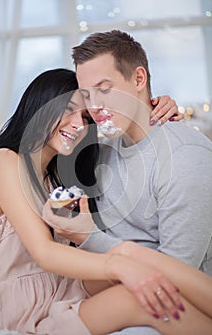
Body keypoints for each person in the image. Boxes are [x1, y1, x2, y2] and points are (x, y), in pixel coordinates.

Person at [0, 68, 212, 335]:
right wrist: (119, 267)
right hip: (27, 310)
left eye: (87, 117)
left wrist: (151, 109)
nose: (79, 124)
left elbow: (125, 131)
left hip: (65, 288)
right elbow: (44, 253)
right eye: (69, 109)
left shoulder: (59, 173)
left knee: (146, 259)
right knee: (140, 296)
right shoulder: (3, 162)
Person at [49, 30, 212, 335]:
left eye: (105, 89)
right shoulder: (103, 146)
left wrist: (88, 237)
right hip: (107, 288)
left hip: (169, 306)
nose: (95, 106)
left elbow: (179, 274)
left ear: (138, 80)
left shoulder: (185, 157)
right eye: (87, 94)